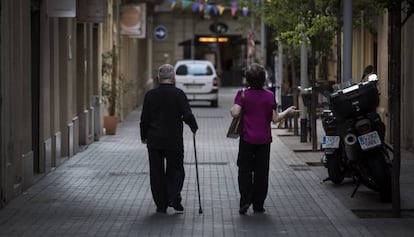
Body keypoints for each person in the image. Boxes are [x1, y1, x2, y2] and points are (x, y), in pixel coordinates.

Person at [230, 63, 298, 215]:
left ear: (248, 79)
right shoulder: (269, 96)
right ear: (263, 80)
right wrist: (287, 112)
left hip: (247, 139)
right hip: (264, 141)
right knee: (262, 172)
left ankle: (245, 200)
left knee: (245, 170)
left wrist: (233, 109)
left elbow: (235, 113)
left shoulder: (242, 94)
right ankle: (258, 204)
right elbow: (275, 119)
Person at [140, 64, 198, 214]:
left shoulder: (150, 95)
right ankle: (173, 196)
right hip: (174, 140)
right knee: (176, 169)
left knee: (156, 172)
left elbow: (144, 118)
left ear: (158, 78)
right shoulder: (179, 94)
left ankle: (161, 204)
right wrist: (193, 126)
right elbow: (187, 114)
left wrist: (143, 136)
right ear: (173, 77)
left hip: (155, 140)